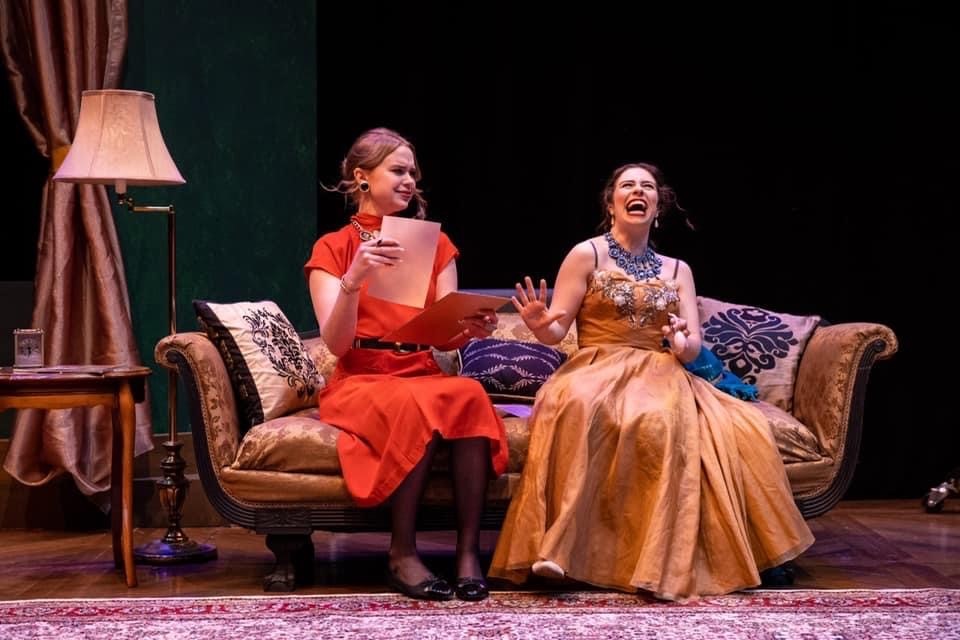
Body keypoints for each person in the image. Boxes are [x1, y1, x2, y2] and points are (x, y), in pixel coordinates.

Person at [487, 162, 814, 602]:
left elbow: (693, 344)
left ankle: (748, 555)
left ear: (658, 205)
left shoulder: (678, 268)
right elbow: (555, 332)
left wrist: (683, 344)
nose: (638, 191)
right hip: (596, 367)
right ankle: (561, 548)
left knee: (731, 427)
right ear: (611, 202)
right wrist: (538, 323)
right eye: (627, 185)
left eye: (647, 187)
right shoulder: (587, 254)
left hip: (660, 368)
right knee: (583, 407)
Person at [304, 127, 508, 601]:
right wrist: (355, 278)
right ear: (362, 177)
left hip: (421, 371)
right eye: (397, 170)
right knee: (413, 405)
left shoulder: (434, 245)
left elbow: (443, 331)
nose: (409, 180)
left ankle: (467, 553)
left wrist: (469, 329)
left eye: (412, 172)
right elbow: (335, 345)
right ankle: (401, 553)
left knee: (469, 394)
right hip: (362, 378)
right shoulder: (334, 249)